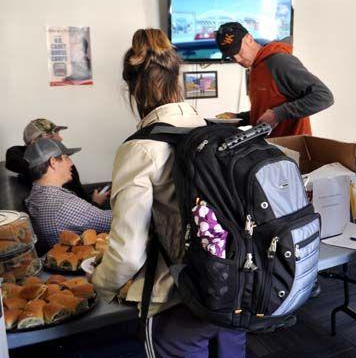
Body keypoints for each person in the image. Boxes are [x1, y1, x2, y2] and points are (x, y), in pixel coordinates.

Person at [91, 28, 246, 357]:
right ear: (178, 78)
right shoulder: (214, 134)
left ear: (133, 88)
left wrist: (97, 288)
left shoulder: (140, 150)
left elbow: (126, 255)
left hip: (179, 300)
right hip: (233, 290)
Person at [214, 22, 333, 137]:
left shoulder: (279, 62)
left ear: (249, 39)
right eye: (230, 56)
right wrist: (238, 118)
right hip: (270, 148)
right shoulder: (255, 67)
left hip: (291, 149)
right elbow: (266, 112)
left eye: (237, 51)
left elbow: (324, 96)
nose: (237, 59)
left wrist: (278, 114)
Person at [23, 138, 111, 248]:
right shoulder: (63, 204)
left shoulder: (35, 196)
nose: (71, 163)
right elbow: (116, 221)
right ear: (53, 162)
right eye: (66, 158)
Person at [5, 118, 108, 205]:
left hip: (86, 203)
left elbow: (78, 192)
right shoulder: (34, 164)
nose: (60, 138)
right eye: (51, 137)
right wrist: (96, 203)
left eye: (58, 134)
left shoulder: (58, 158)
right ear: (35, 143)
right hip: (84, 211)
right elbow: (13, 158)